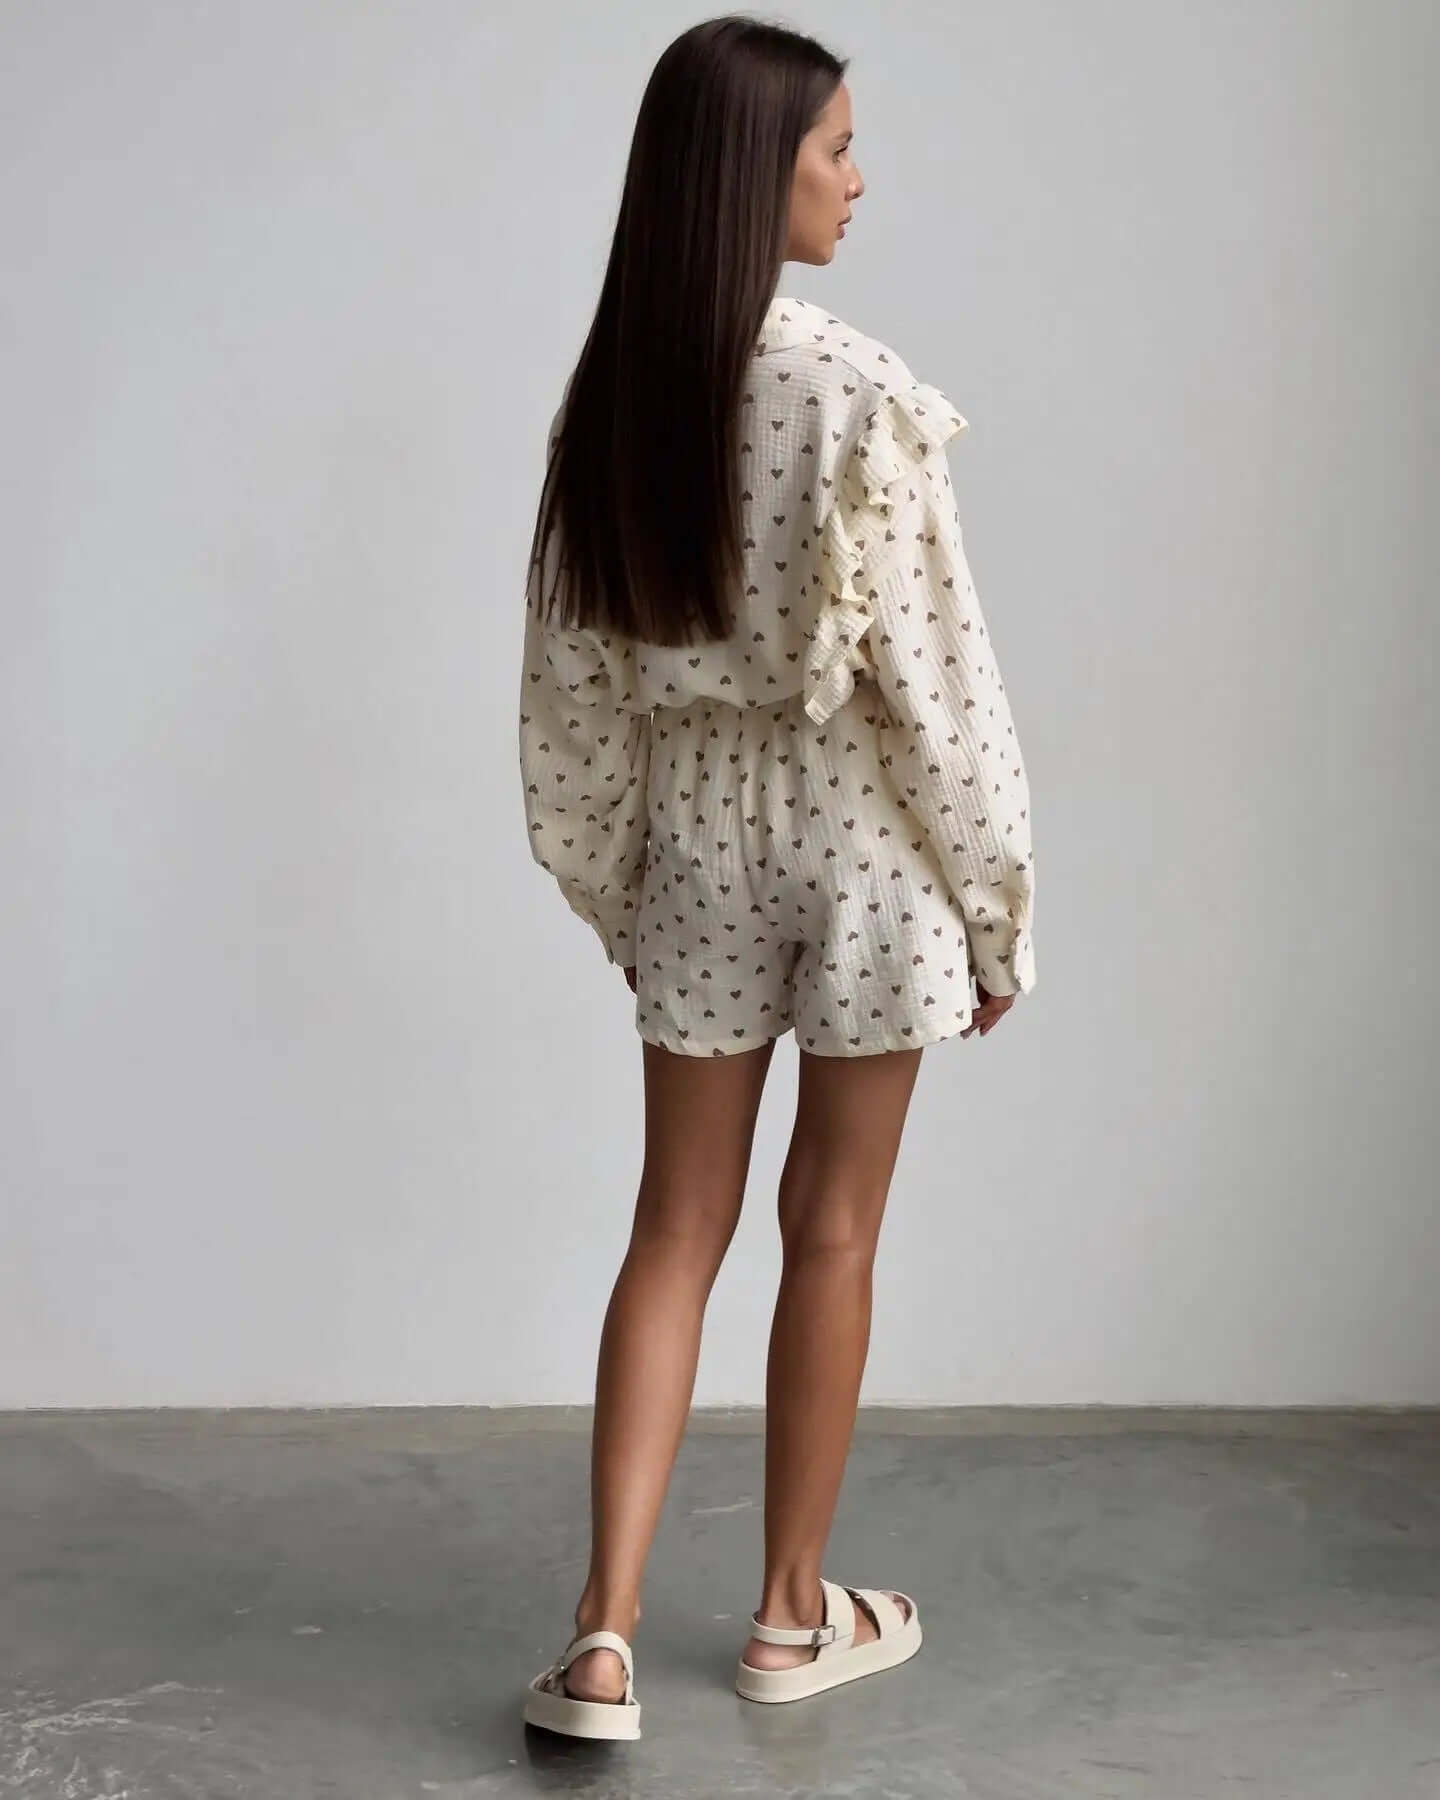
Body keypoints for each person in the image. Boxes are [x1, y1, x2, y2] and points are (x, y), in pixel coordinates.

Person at [515, 14, 1037, 1742]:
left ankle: (599, 1640)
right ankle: (791, 1622)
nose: (858, 179)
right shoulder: (857, 392)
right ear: (759, 172)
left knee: (673, 1229)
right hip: (862, 835)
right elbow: (939, 685)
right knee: (835, 1228)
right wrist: (996, 908)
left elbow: (572, 689)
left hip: (693, 835)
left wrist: (619, 887)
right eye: (836, 149)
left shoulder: (611, 398)